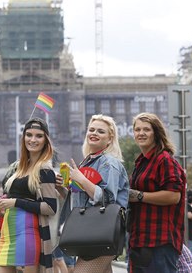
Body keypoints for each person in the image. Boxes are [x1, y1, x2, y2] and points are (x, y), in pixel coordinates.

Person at [0, 117, 59, 273]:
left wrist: (15, 202)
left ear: (45, 140)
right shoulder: (18, 168)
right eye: (29, 135)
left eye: (39, 136)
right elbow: (13, 196)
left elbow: (50, 207)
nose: (33, 140)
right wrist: (1, 202)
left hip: (27, 233)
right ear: (23, 138)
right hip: (6, 235)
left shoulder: (45, 170)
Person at [67, 114, 129, 272]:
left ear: (110, 139)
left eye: (100, 131)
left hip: (101, 233)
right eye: (91, 129)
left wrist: (82, 179)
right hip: (92, 234)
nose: (94, 133)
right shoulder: (90, 161)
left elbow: (108, 200)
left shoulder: (109, 162)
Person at [128, 112, 186, 273]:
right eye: (137, 129)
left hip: (160, 241)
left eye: (146, 129)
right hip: (139, 240)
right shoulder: (141, 161)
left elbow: (174, 196)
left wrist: (139, 196)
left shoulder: (164, 159)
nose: (141, 133)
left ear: (156, 133)